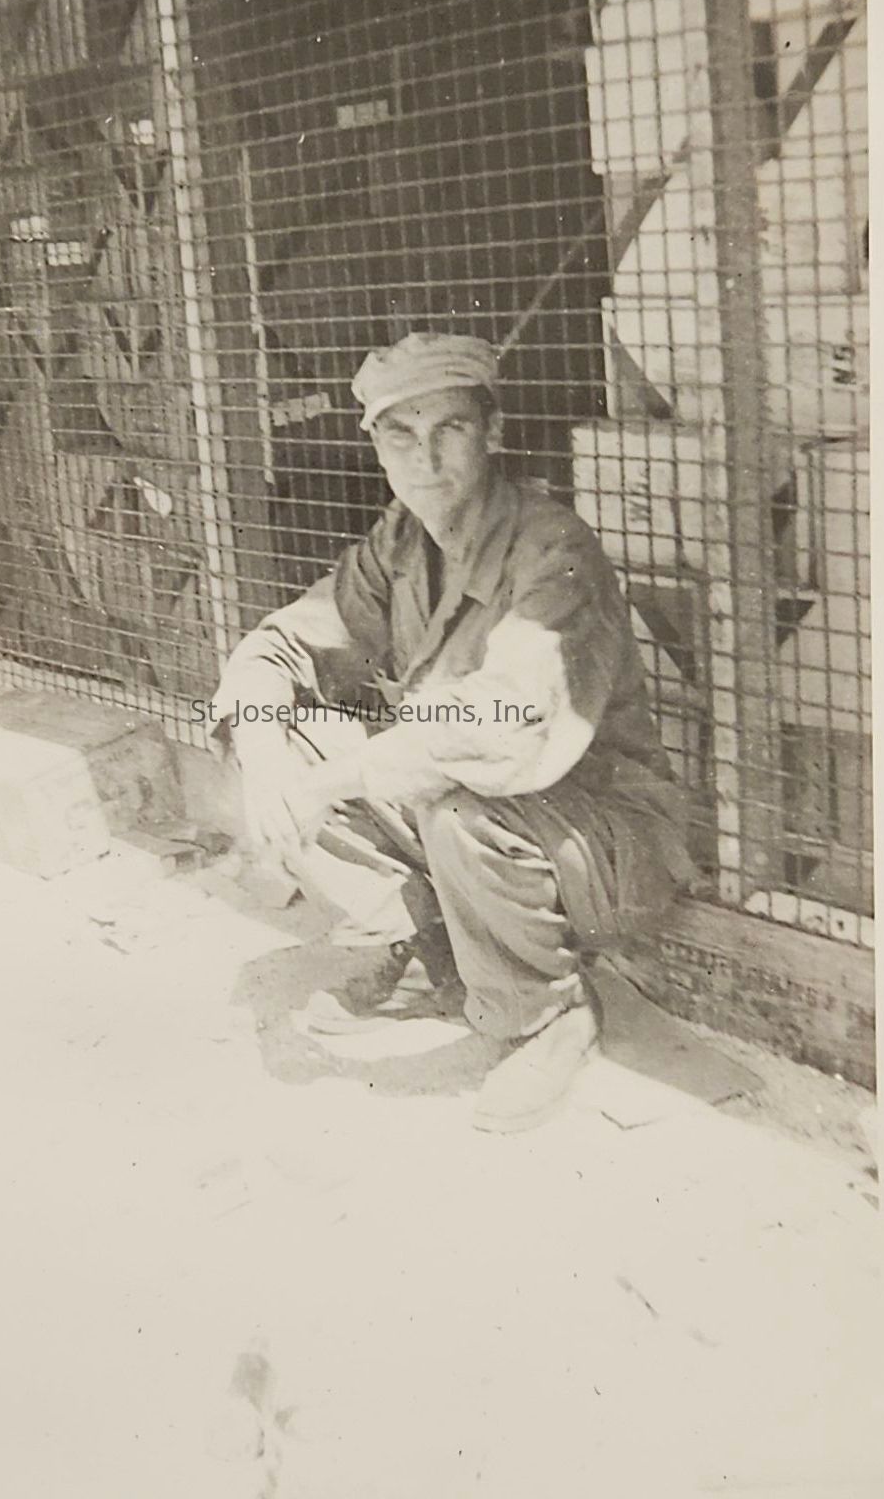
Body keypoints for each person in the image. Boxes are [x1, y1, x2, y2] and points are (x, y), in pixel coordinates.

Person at [211, 332, 694, 1132]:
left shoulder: (553, 548)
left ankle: (549, 1013)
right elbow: (280, 645)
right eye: (400, 433)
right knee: (275, 731)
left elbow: (502, 718)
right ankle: (435, 954)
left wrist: (332, 782)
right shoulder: (400, 543)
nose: (425, 457)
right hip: (487, 816)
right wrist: (265, 757)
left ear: (493, 433)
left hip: (602, 837)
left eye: (450, 429)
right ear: (376, 447)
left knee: (456, 806)